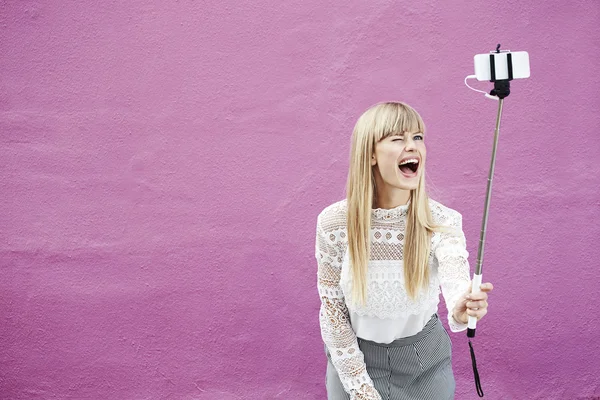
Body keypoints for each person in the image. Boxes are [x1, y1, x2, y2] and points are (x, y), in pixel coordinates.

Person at [315, 101, 494, 400]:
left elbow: (455, 276)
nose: (412, 146)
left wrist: (462, 304)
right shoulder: (334, 222)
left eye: (418, 138)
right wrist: (361, 390)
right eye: (398, 138)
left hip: (424, 364)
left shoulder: (442, 220)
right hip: (352, 358)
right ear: (370, 154)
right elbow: (333, 311)